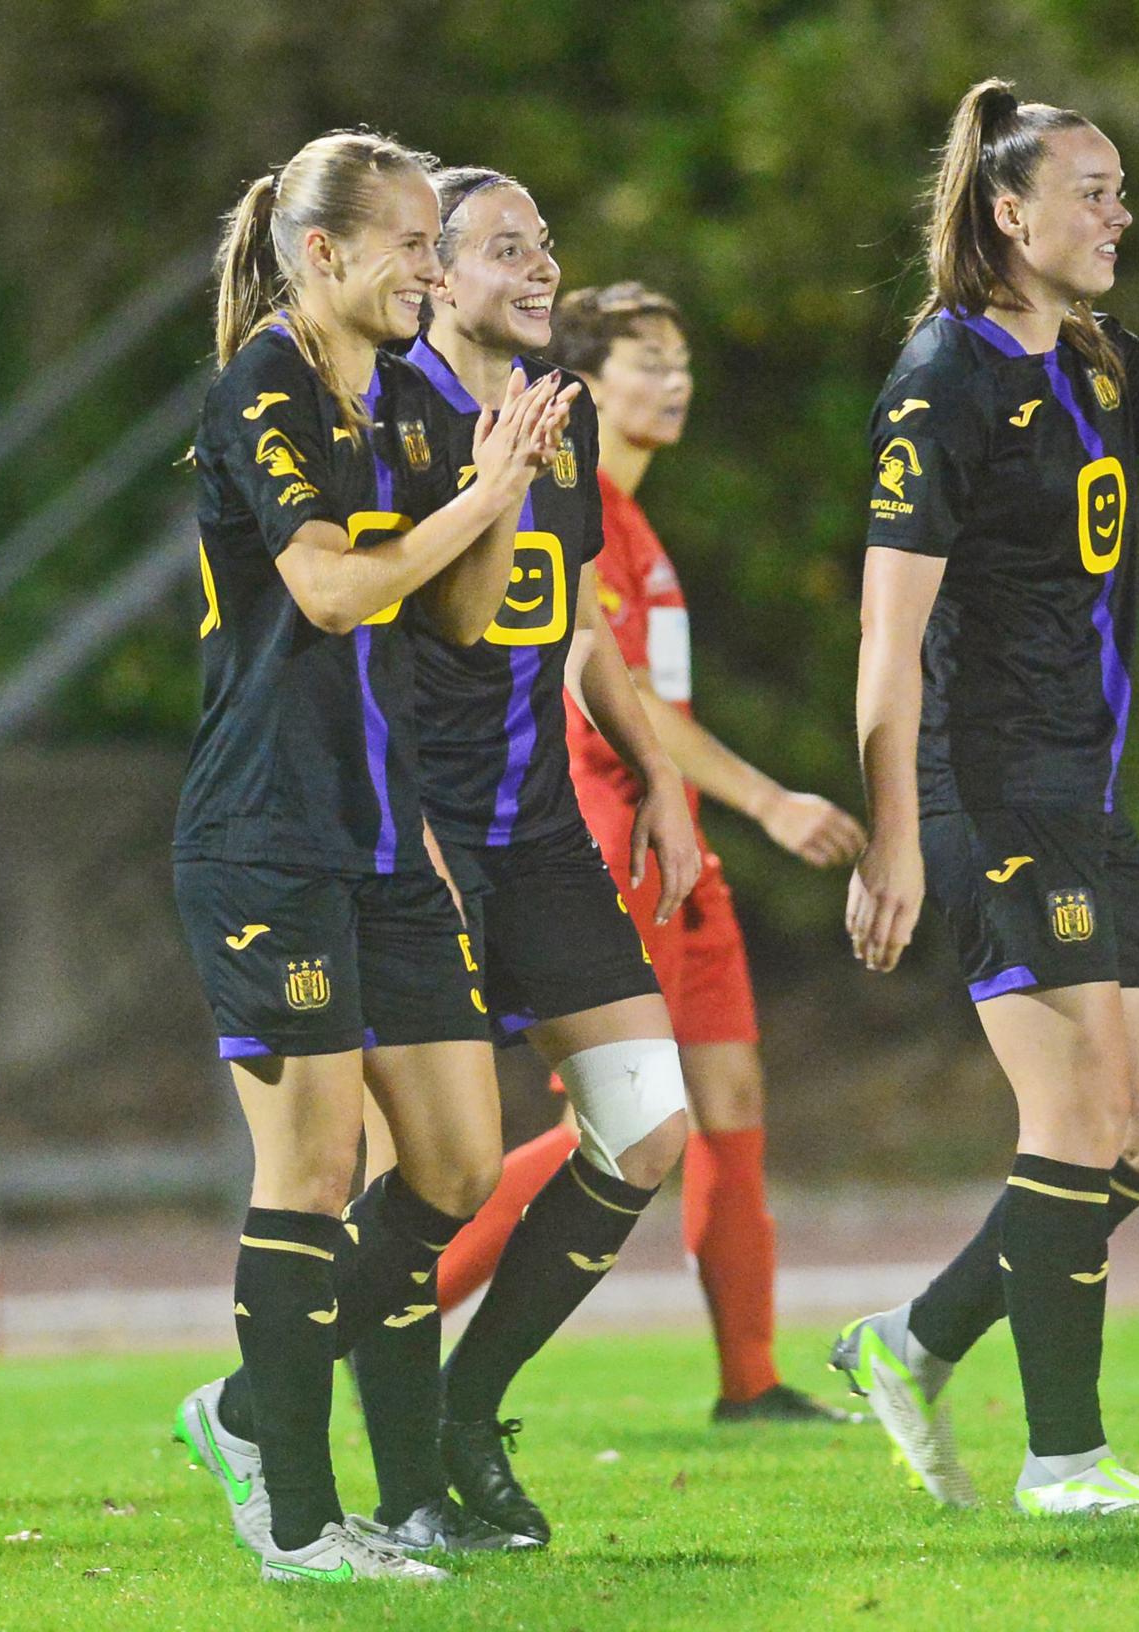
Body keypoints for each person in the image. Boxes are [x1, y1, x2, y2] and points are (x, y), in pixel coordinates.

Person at [836, 78, 1139, 1517]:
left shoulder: (1092, 356)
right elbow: (886, 638)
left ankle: (910, 1339)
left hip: (1081, 797)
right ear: (1007, 210)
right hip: (987, 792)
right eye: (1091, 191)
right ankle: (1065, 1461)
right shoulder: (944, 378)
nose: (1118, 215)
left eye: (1121, 191)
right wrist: (896, 837)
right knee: (1084, 1110)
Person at [164, 130, 575, 1587]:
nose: (428, 263)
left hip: (389, 839)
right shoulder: (264, 383)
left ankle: (250, 1410)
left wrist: (501, 478)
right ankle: (294, 1519)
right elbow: (332, 591)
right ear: (321, 252)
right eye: (409, 240)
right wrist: (473, 500)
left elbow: (458, 619)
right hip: (267, 832)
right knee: (316, 1164)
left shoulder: (404, 394)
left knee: (457, 1165)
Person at [419, 278, 871, 1426]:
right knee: (619, 1121)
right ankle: (387, 1304)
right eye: (645, 361)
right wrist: (767, 799)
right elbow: (609, 694)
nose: (673, 381)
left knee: (727, 1090)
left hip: (671, 829)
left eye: (680, 360)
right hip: (610, 828)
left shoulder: (633, 513)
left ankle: (749, 1382)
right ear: (582, 382)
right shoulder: (585, 513)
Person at [347, 165, 703, 1547]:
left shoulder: (555, 420)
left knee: (647, 1128)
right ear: (433, 273)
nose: (543, 266)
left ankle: (464, 1404)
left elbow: (576, 624)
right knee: (431, 1176)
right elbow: (381, 640)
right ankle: (381, 1482)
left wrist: (662, 778)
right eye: (508, 248)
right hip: (419, 834)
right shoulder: (387, 420)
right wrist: (407, 836)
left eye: (547, 242)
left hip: (543, 831)